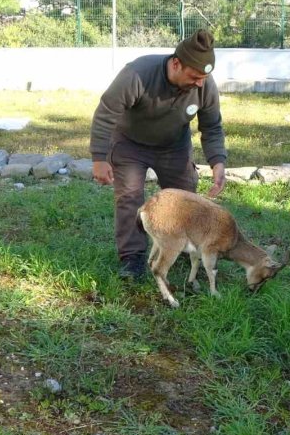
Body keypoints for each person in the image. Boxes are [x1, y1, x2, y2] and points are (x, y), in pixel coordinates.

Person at [90, 29, 228, 279]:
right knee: (130, 198)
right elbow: (106, 112)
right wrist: (99, 158)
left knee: (185, 199)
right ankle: (132, 258)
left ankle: (184, 247)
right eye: (195, 76)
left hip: (173, 146)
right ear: (176, 63)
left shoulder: (204, 85)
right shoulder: (138, 73)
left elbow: (212, 126)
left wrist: (217, 161)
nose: (200, 83)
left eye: (203, 78)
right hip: (130, 144)